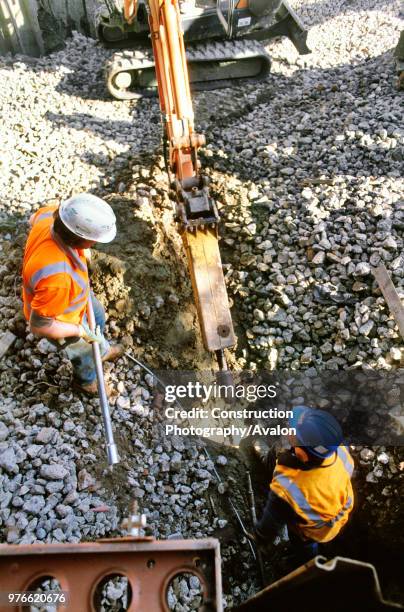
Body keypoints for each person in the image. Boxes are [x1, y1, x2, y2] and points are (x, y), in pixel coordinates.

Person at [22, 193, 123, 395]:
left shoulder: (49, 215)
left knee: (98, 315)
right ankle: (86, 381)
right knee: (84, 350)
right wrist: (79, 331)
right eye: (93, 241)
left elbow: (33, 219)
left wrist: (78, 250)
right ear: (82, 240)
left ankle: (102, 350)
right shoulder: (57, 278)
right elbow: (40, 325)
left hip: (76, 297)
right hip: (61, 319)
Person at [252, 406, 354, 563]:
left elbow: (270, 523)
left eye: (293, 434)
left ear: (303, 455)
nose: (287, 432)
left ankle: (306, 561)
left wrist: (260, 536)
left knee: (303, 543)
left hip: (312, 529)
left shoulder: (289, 488)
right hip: (337, 514)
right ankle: (310, 557)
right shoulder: (340, 452)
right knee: (310, 544)